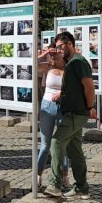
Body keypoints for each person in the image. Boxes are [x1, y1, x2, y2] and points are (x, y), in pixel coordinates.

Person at [44, 31, 96, 199]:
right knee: (75, 152)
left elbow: (88, 86)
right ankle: (82, 188)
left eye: (61, 47)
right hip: (71, 111)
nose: (58, 50)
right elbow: (74, 85)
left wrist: (90, 107)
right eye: (57, 47)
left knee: (55, 142)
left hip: (76, 113)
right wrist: (63, 94)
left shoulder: (78, 62)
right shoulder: (70, 62)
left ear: (70, 44)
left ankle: (54, 184)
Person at [36, 43, 69, 189]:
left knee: (63, 144)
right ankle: (38, 176)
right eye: (52, 54)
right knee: (45, 146)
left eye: (56, 53)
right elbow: (31, 64)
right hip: (47, 106)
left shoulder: (68, 69)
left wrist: (62, 94)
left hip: (64, 107)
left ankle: (65, 176)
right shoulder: (48, 66)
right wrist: (44, 53)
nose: (53, 56)